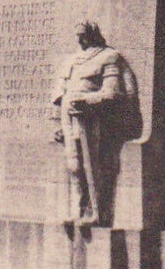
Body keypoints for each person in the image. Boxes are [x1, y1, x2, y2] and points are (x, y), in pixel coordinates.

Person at [51, 21, 140, 229]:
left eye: (82, 35)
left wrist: (89, 100)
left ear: (92, 34)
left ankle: (97, 211)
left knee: (93, 165)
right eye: (77, 35)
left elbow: (114, 93)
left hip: (93, 117)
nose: (79, 40)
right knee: (73, 165)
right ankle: (78, 209)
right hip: (68, 115)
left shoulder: (109, 57)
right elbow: (59, 93)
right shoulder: (71, 60)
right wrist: (57, 122)